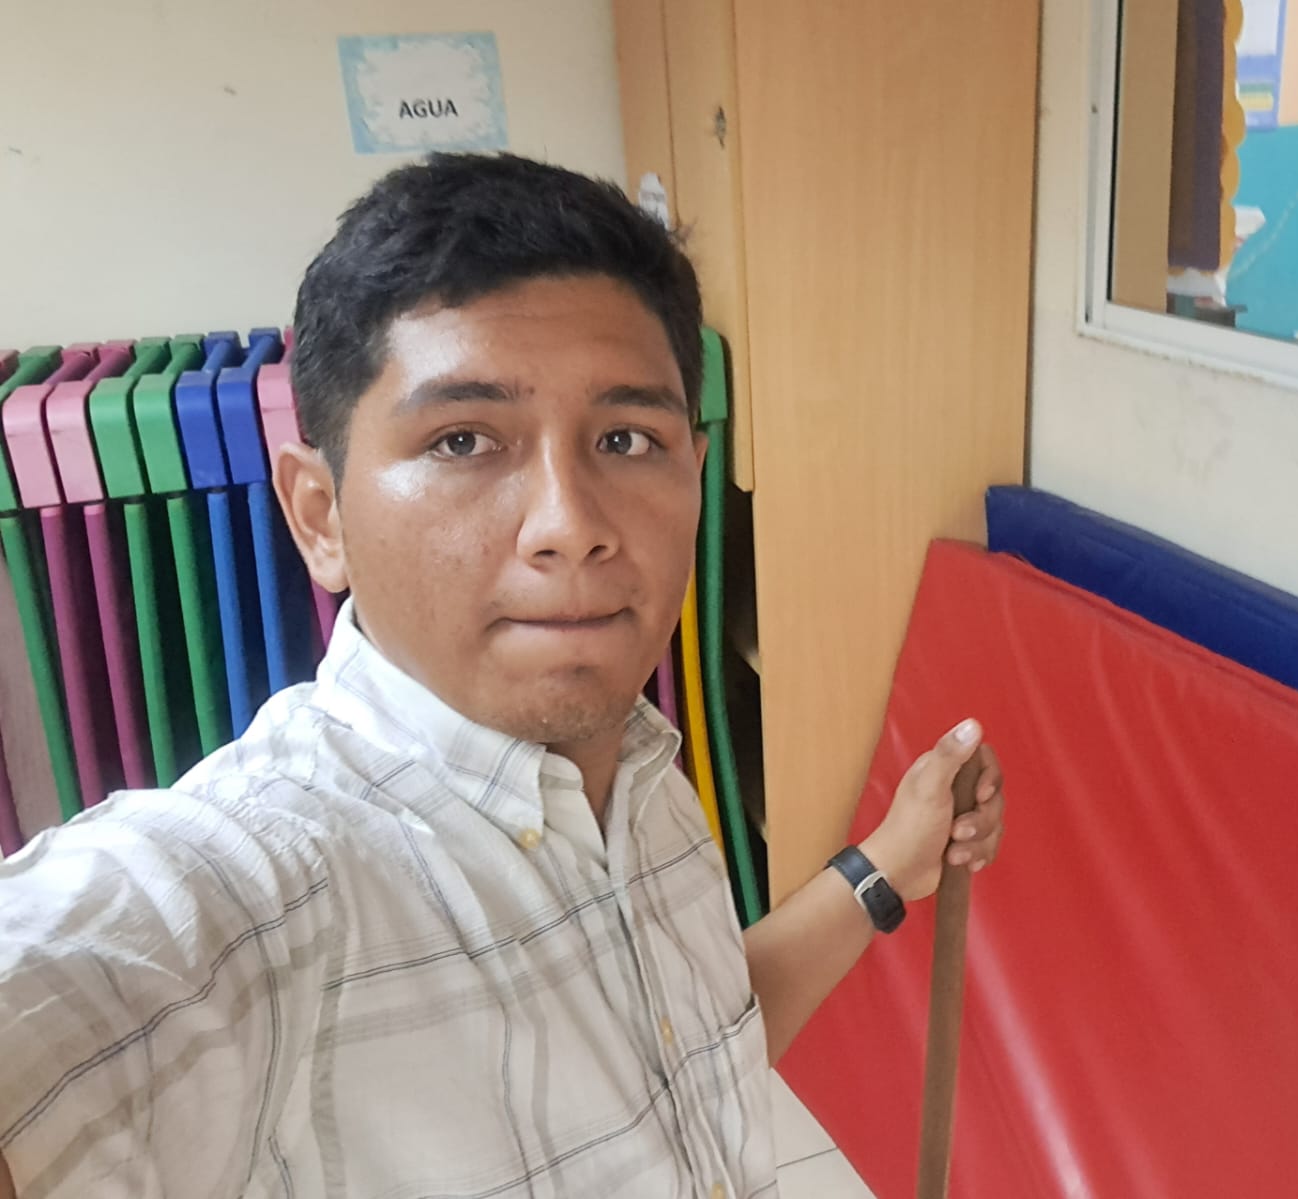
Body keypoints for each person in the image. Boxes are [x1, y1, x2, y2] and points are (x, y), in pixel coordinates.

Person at [0, 153, 1005, 1198]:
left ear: (695, 477)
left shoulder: (642, 778)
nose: (569, 525)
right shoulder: (266, 881)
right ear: (320, 516)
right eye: (463, 440)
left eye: (626, 438)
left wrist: (887, 863)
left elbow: (692, 1047)